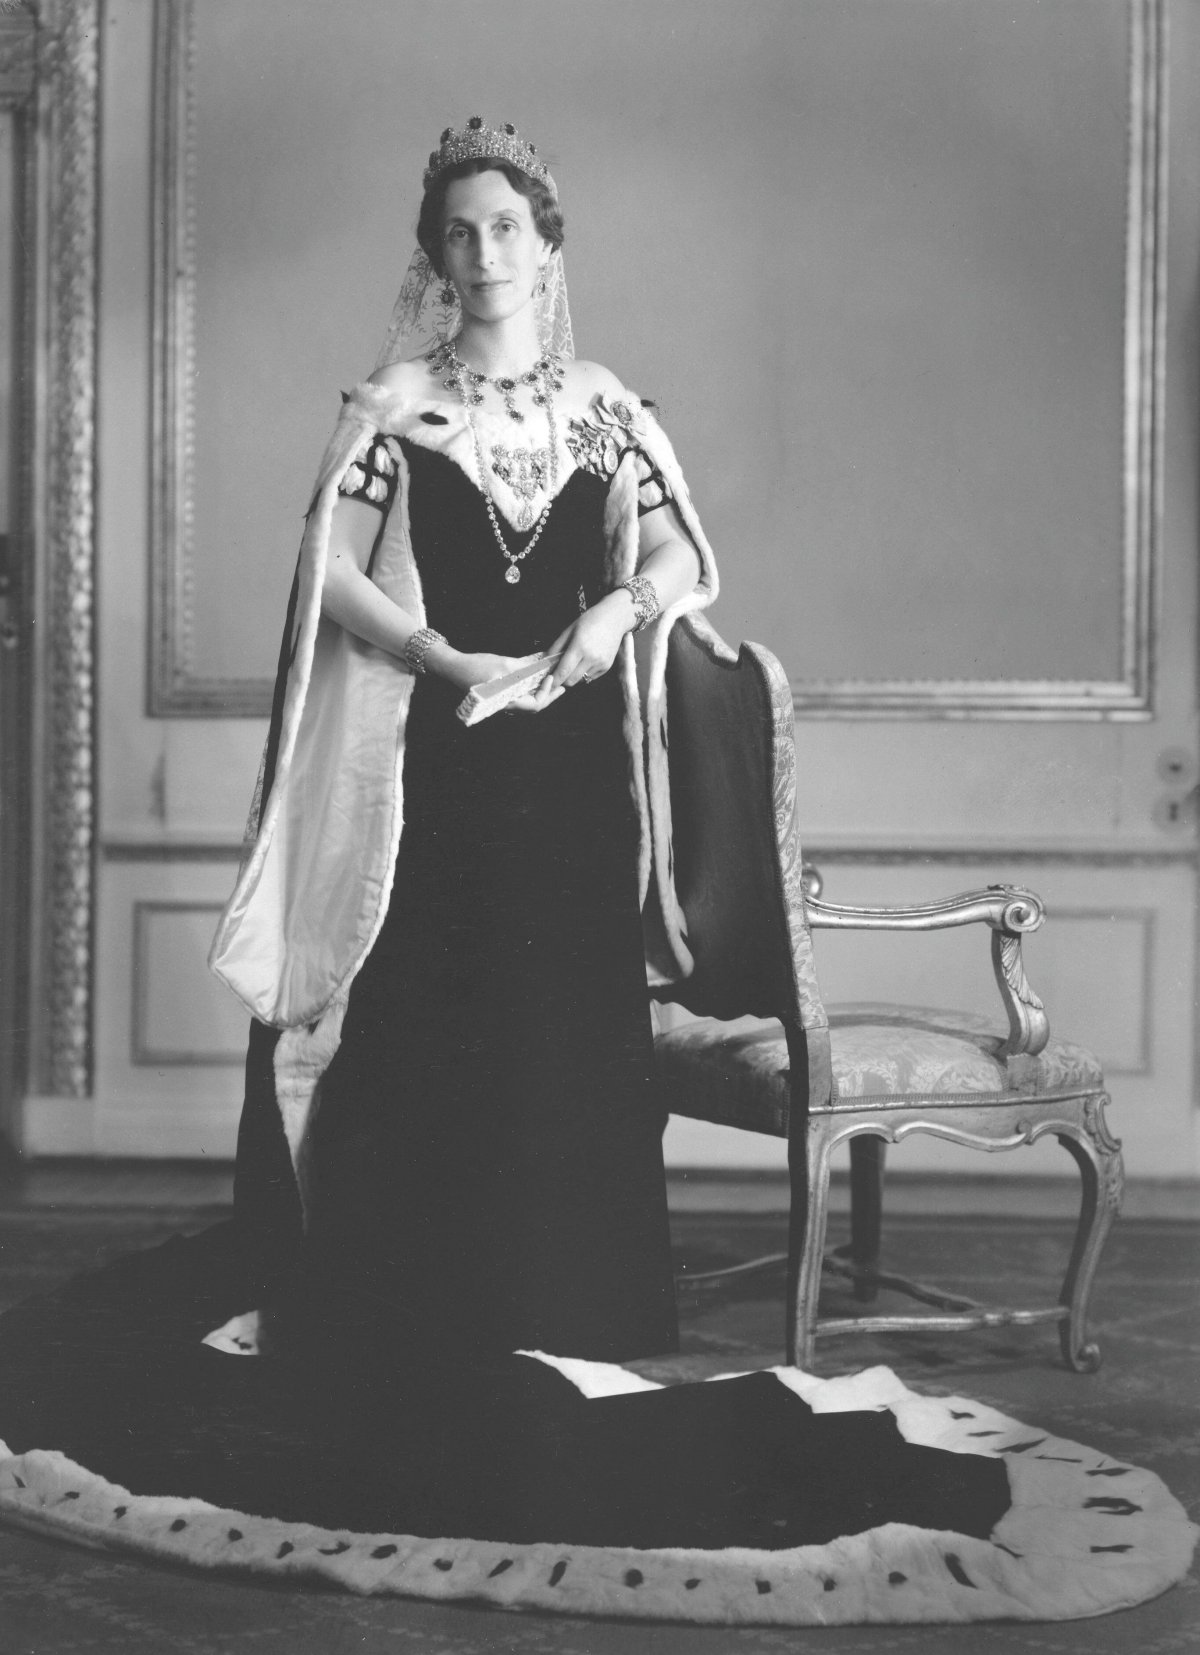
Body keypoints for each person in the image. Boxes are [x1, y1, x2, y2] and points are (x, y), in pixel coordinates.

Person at [0, 121, 1191, 1626]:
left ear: (547, 245)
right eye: (461, 230)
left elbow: (690, 553)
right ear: (432, 255)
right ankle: (417, 1283)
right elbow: (328, 572)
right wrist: (437, 651)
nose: (487, 253)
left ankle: (578, 1296)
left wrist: (617, 616)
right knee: (434, 1002)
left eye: (511, 227)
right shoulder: (398, 406)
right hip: (444, 759)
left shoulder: (607, 405)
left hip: (570, 776)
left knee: (565, 1011)